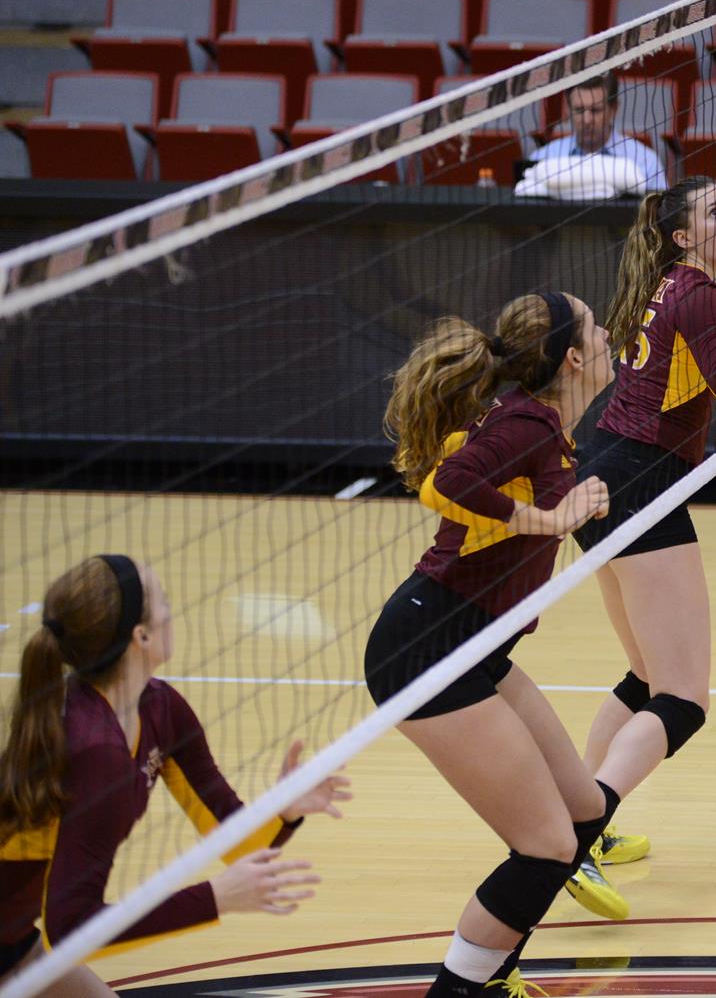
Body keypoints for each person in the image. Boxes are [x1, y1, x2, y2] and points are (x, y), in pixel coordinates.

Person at [364, 291, 627, 996]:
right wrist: (541, 520)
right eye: (596, 326)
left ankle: (496, 972)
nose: (607, 333)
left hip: (474, 648)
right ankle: (460, 988)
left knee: (583, 812)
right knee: (547, 846)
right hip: (425, 649)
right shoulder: (526, 424)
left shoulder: (546, 426)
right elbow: (444, 481)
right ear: (574, 357)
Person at [567, 178, 716, 897]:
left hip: (605, 478)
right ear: (682, 237)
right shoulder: (694, 290)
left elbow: (707, 351)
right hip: (638, 485)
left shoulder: (680, 286)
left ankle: (579, 817)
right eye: (714, 212)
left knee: (646, 672)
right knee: (682, 698)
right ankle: (571, 838)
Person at [0, 556, 345, 995]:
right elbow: (70, 928)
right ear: (140, 636)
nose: (170, 609)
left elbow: (236, 841)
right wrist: (216, 898)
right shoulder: (96, 752)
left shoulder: (158, 707)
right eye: (161, 598)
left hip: (13, 940)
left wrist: (285, 808)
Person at [518, 75, 668, 199]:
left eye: (595, 110)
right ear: (568, 109)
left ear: (613, 109)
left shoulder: (645, 162)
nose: (587, 120)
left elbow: (659, 224)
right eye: (579, 110)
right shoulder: (543, 158)